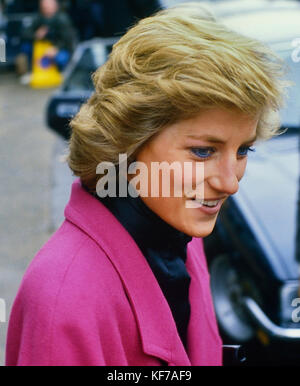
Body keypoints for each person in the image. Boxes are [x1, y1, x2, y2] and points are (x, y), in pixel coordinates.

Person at [6, 3, 287, 366]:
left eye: (243, 149)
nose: (230, 182)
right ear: (127, 141)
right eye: (203, 151)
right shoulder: (63, 300)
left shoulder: (180, 235)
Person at [15, 0, 75, 80]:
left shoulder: (62, 19)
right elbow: (24, 33)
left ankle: (63, 73)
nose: (46, 7)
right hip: (42, 49)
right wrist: (36, 35)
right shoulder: (39, 18)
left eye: (49, 4)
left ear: (55, 5)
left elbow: (68, 40)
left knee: (61, 58)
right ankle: (30, 71)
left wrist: (57, 48)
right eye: (44, 4)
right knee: (26, 46)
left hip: (59, 49)